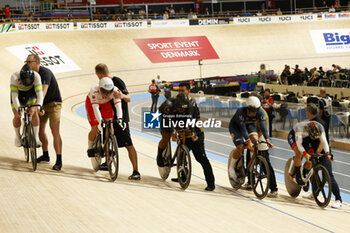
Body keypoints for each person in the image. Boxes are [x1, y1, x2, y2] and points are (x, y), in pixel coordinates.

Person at [95, 63, 140, 180]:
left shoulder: (117, 81)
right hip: (108, 116)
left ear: (99, 74)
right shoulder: (102, 83)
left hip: (121, 118)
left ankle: (136, 171)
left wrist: (122, 96)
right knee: (106, 137)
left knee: (128, 145)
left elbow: (129, 98)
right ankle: (106, 161)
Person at [26, 54, 63, 171]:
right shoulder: (30, 74)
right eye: (26, 61)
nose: (26, 63)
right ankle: (45, 155)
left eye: (29, 61)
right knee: (40, 129)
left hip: (53, 103)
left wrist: (38, 105)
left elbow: (43, 91)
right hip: (41, 104)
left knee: (54, 130)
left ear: (36, 62)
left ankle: (59, 160)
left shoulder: (45, 72)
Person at [305, 103, 342, 208]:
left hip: (322, 152)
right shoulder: (310, 123)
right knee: (313, 173)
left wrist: (317, 152)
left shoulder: (320, 123)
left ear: (308, 112)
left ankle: (338, 199)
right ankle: (315, 193)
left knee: (328, 176)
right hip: (315, 152)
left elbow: (323, 141)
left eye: (306, 111)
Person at [228, 96, 272, 186]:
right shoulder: (240, 112)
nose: (254, 113)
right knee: (240, 146)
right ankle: (231, 168)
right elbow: (243, 129)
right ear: (247, 109)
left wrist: (268, 140)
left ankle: (249, 167)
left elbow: (263, 128)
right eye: (252, 111)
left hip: (250, 126)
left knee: (255, 143)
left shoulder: (260, 112)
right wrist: (248, 142)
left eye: (256, 111)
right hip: (236, 128)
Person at [86, 77, 124, 170]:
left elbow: (118, 106)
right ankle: (90, 146)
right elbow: (95, 109)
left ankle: (107, 145)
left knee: (110, 127)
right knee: (95, 128)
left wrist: (120, 119)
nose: (107, 94)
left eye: (109, 92)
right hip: (92, 104)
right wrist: (99, 122)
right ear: (99, 88)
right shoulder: (94, 91)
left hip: (106, 104)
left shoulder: (115, 91)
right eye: (104, 92)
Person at [287, 120, 329, 186]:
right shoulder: (300, 128)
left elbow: (324, 142)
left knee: (312, 156)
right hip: (295, 135)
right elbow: (299, 144)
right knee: (298, 153)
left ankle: (304, 174)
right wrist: (305, 153)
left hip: (305, 137)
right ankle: (298, 177)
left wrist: (328, 153)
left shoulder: (320, 128)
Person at [11, 64, 43, 148]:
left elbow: (40, 94)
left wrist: (38, 107)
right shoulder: (14, 77)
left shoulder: (37, 76)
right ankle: (17, 137)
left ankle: (36, 138)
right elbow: (14, 96)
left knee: (34, 112)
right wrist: (19, 109)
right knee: (17, 116)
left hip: (30, 93)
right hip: (18, 94)